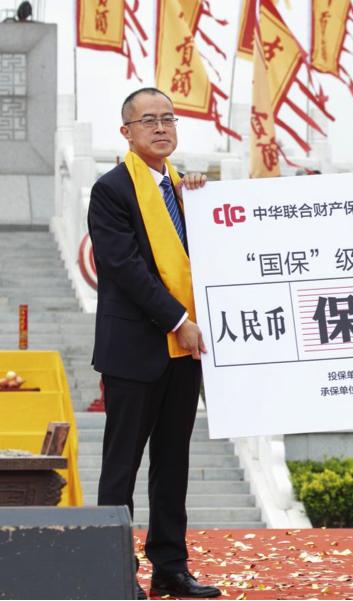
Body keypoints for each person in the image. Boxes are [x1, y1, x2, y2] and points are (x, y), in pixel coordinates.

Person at [88, 87, 221, 599]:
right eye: (148, 120)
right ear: (126, 132)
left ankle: (170, 567)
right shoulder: (111, 190)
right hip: (136, 349)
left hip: (184, 351)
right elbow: (123, 268)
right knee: (121, 465)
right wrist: (177, 319)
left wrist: (200, 206)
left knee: (173, 463)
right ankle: (112, 569)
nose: (161, 127)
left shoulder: (186, 190)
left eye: (168, 118)